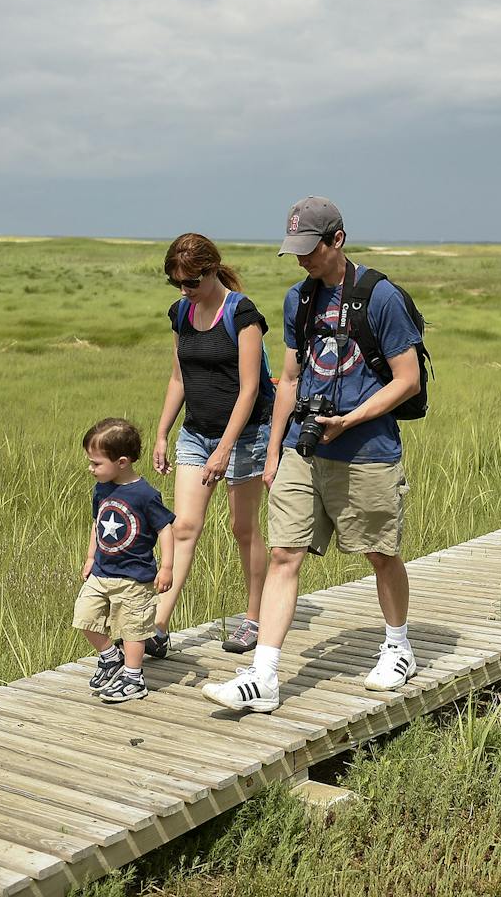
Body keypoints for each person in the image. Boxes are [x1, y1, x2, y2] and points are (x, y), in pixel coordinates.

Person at [203, 197, 422, 714]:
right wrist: (274, 449)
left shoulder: (379, 297)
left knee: (379, 552)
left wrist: (351, 419)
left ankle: (399, 646)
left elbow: (408, 380)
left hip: (366, 449)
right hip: (302, 446)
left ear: (338, 240)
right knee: (284, 552)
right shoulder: (297, 300)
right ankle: (264, 675)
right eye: (295, 250)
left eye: (310, 249)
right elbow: (291, 379)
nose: (302, 259)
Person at [150, 234, 273, 658]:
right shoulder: (181, 313)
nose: (184, 291)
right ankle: (159, 625)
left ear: (211, 270)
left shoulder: (242, 315)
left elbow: (250, 389)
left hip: (246, 435)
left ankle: (253, 619)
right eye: (176, 284)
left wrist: (225, 448)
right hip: (195, 432)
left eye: (191, 282)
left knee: (243, 529)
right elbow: (178, 378)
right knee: (184, 526)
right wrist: (163, 432)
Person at [73, 418, 175, 704]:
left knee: (133, 628)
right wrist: (91, 556)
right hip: (102, 572)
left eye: (96, 463)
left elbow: (165, 528)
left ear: (121, 462)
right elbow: (97, 523)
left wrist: (166, 567)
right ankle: (109, 657)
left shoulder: (144, 495)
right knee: (85, 616)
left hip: (134, 577)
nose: (90, 469)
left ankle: (133, 677)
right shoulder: (101, 489)